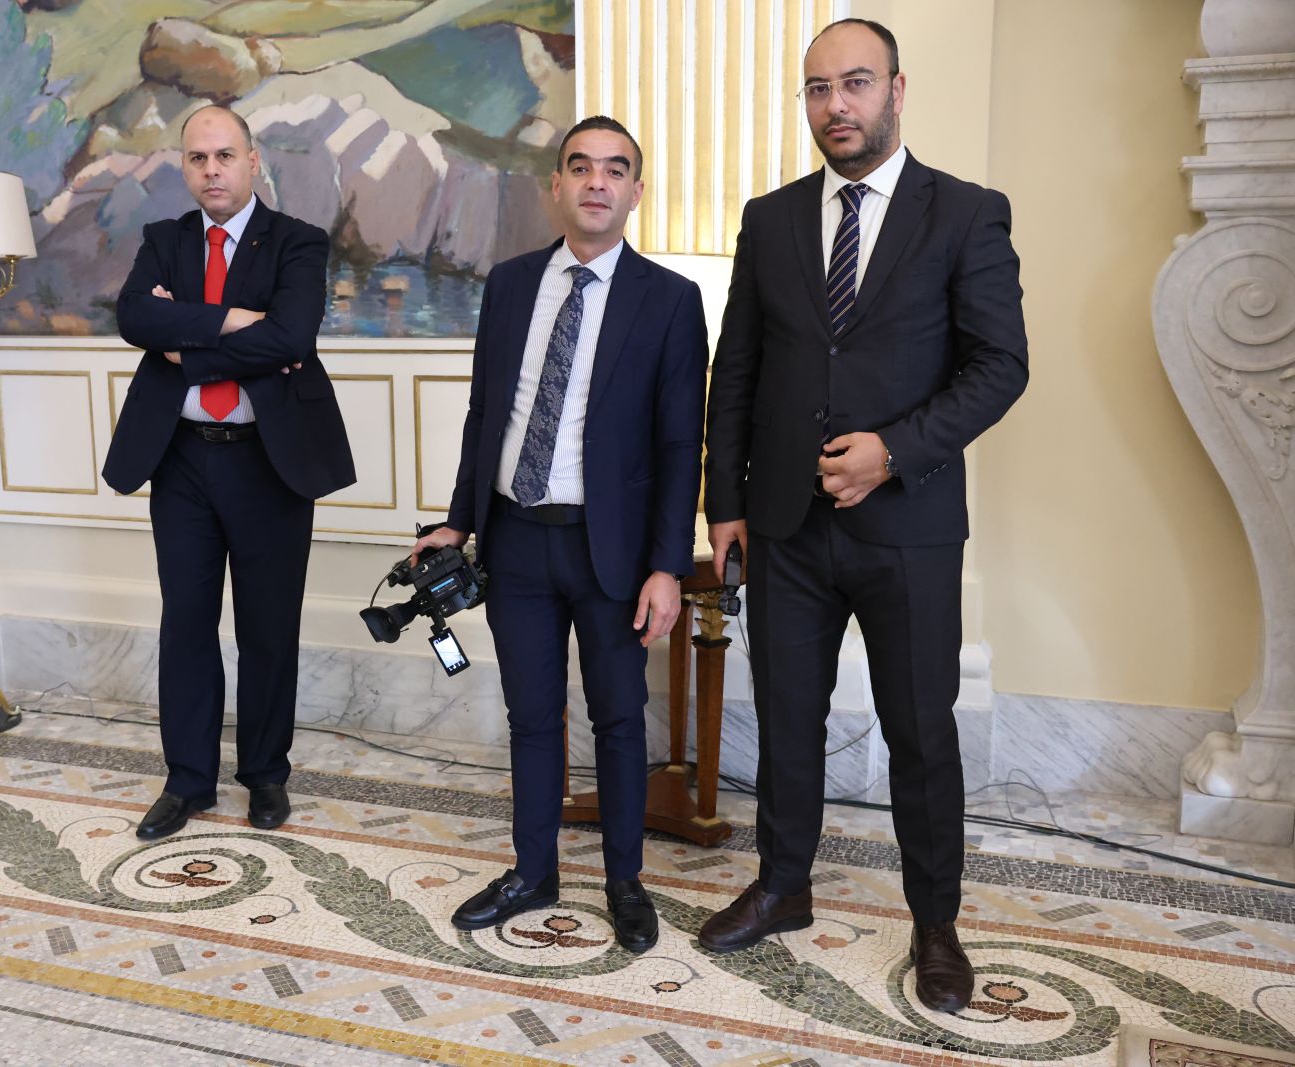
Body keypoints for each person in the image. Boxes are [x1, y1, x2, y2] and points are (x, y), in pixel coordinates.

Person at [698, 18, 1028, 1013]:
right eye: (817, 89)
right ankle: (782, 884)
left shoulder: (965, 213)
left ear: (895, 89)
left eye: (853, 83)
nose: (834, 105)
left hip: (908, 526)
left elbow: (1000, 365)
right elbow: (737, 369)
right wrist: (724, 503)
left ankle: (936, 922)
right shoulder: (769, 219)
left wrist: (896, 449)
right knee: (786, 716)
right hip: (785, 524)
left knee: (920, 731)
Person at [412, 116, 707, 953]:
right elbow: (486, 414)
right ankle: (532, 871)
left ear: (636, 191)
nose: (596, 182)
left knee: (619, 719)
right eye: (580, 167)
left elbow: (679, 445)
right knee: (532, 716)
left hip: (610, 551)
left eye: (614, 169)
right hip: (515, 542)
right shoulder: (509, 286)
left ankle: (625, 881)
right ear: (557, 185)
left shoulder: (670, 300)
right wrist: (459, 520)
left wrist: (666, 567)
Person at [104, 105, 355, 840]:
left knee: (268, 626)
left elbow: (291, 336)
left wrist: (185, 336)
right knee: (185, 622)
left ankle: (266, 775)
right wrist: (236, 321)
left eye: (224, 156)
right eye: (197, 158)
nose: (211, 170)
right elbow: (133, 319)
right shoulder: (164, 240)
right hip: (180, 457)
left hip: (267, 458)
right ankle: (188, 781)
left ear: (252, 162)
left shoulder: (298, 242)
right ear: (185, 168)